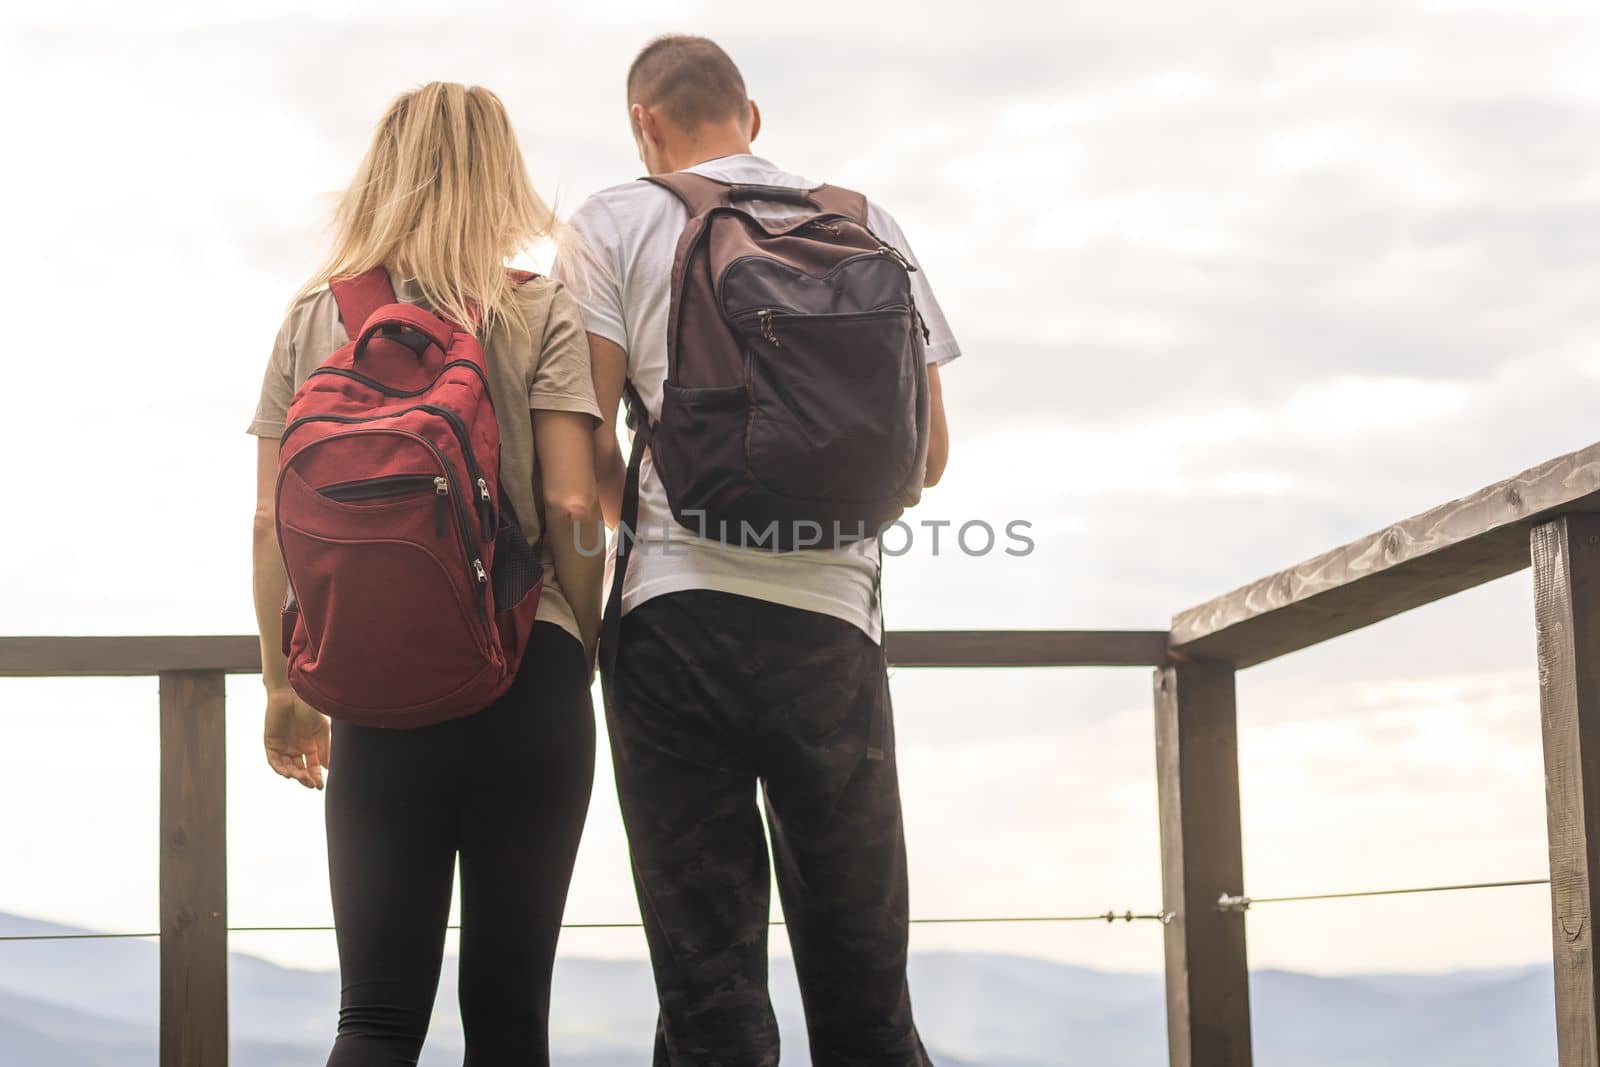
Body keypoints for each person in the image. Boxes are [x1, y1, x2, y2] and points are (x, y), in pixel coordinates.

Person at [554, 35, 957, 1066]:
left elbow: (584, 437)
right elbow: (931, 458)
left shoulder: (613, 217)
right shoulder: (865, 220)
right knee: (866, 985)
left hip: (674, 623)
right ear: (754, 117)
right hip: (833, 625)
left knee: (710, 993)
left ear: (646, 123)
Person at [247, 82, 604, 1066]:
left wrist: (283, 682)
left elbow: (270, 523)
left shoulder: (315, 317)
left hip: (374, 684)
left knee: (374, 1017)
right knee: (506, 1015)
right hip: (527, 665)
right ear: (502, 179)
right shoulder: (538, 309)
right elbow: (575, 508)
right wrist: (582, 640)